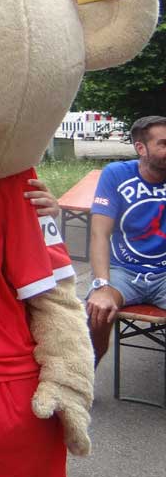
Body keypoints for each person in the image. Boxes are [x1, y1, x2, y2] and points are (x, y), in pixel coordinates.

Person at [86, 115, 166, 364]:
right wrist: (101, 286)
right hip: (123, 271)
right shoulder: (117, 175)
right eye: (163, 144)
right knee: (96, 311)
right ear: (141, 148)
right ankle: (84, 381)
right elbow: (100, 233)